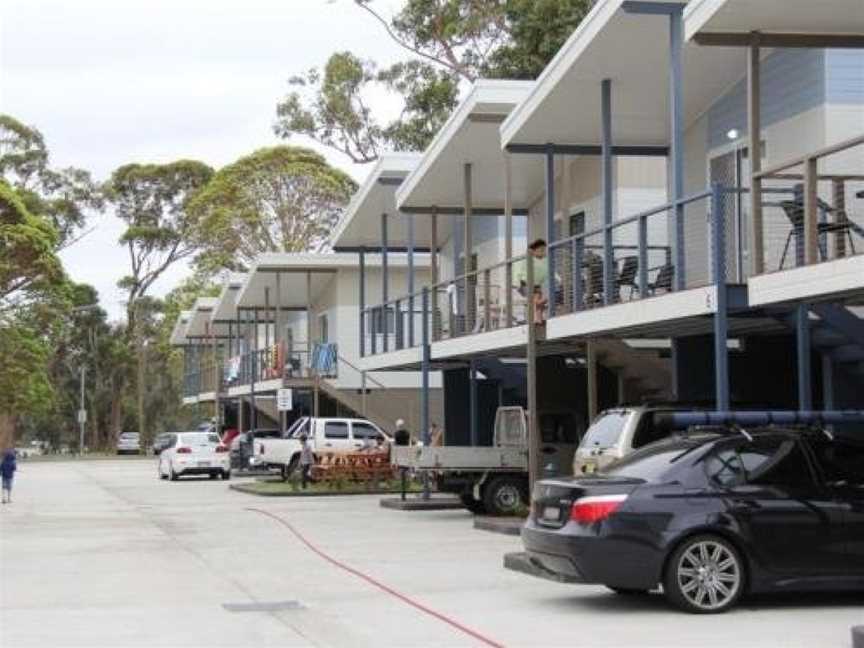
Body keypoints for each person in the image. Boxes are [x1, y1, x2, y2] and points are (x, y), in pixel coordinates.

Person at [514, 239, 551, 324]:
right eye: (541, 250)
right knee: (535, 297)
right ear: (533, 251)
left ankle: (538, 318)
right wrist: (517, 283)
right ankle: (537, 311)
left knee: (538, 296)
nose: (543, 252)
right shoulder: (526, 260)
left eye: (544, 250)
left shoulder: (545, 261)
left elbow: (550, 272)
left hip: (537, 285)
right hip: (524, 285)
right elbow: (518, 272)